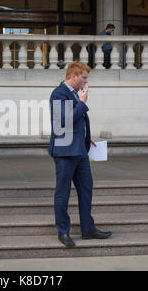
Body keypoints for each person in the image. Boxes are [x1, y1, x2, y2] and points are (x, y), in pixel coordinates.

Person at [48, 61, 112, 248]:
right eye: (83, 77)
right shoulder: (59, 93)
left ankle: (87, 228)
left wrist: (86, 137)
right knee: (63, 193)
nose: (86, 81)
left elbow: (76, 123)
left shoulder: (74, 94)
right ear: (73, 76)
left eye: (86, 77)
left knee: (86, 189)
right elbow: (64, 121)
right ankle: (63, 231)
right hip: (65, 152)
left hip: (79, 150)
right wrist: (83, 104)